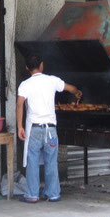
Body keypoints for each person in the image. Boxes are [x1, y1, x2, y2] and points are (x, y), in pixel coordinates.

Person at [16, 52, 82, 203]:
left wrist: (20, 126)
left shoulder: (25, 85)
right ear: (41, 65)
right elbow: (70, 88)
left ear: (27, 68)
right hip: (50, 130)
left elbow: (19, 104)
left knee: (32, 162)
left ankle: (32, 195)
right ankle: (53, 194)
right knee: (51, 161)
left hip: (34, 129)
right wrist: (77, 93)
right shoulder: (52, 81)